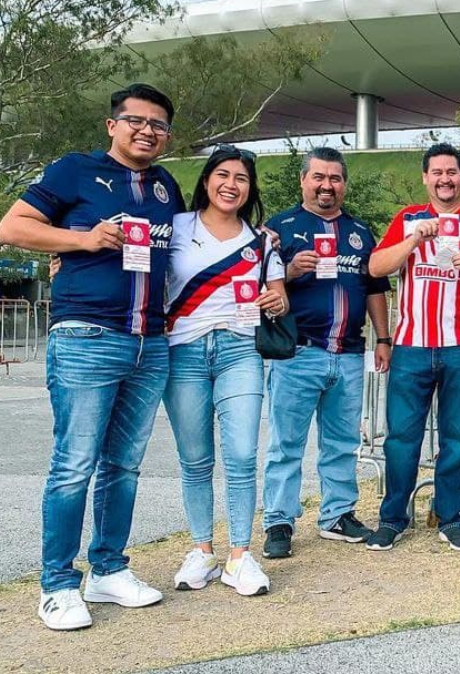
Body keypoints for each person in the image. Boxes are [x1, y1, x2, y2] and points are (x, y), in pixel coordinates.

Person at [0, 83, 185, 630]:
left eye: (158, 125)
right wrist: (83, 240)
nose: (147, 131)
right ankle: (57, 584)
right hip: (87, 337)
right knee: (74, 465)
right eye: (136, 121)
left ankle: (108, 569)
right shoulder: (74, 171)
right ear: (112, 125)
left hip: (149, 343)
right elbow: (12, 227)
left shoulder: (166, 186)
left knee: (124, 464)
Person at [162, 145, 287, 596]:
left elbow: (279, 295)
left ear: (250, 188)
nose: (231, 184)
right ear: (207, 180)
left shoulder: (262, 240)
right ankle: (201, 550)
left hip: (240, 350)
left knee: (240, 454)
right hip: (184, 350)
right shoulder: (177, 226)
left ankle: (239, 555)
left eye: (241, 178)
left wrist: (277, 299)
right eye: (223, 174)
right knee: (195, 460)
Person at [365, 143, 460, 552]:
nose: (445, 179)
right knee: (401, 437)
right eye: (437, 172)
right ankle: (393, 518)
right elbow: (375, 267)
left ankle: (451, 516)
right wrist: (411, 241)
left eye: (452, 172)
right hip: (412, 346)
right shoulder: (407, 217)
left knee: (458, 438)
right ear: (425, 177)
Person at [260, 147, 393, 559]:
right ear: (303, 180)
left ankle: (338, 514)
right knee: (287, 444)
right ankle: (279, 520)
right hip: (299, 353)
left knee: (341, 441)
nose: (327, 186)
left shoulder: (359, 230)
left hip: (350, 353)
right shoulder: (278, 228)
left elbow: (374, 288)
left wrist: (382, 339)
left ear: (344, 184)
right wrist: (289, 271)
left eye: (335, 178)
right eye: (318, 177)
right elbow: (256, 287)